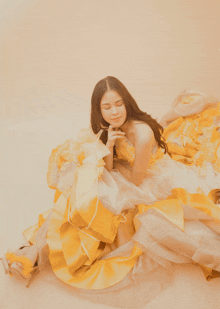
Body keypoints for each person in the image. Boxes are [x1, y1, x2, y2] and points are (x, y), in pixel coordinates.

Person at [1, 76, 220, 305]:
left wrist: (106, 176)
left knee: (93, 196)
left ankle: (38, 253)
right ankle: (37, 250)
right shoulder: (110, 126)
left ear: (127, 103)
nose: (114, 112)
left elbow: (136, 179)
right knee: (81, 189)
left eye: (118, 104)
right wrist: (109, 147)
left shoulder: (142, 134)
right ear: (99, 109)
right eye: (106, 107)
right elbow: (110, 165)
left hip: (147, 181)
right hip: (127, 174)